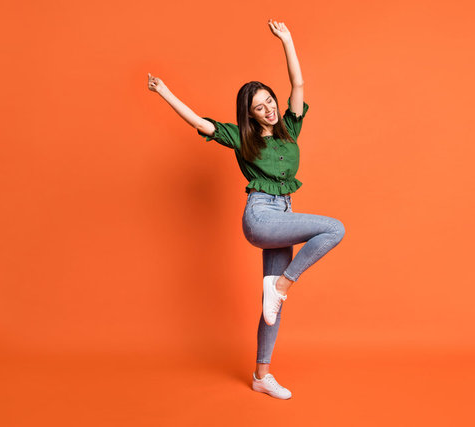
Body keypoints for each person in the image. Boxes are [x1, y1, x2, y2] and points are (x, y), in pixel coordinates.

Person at [147, 19, 345, 400]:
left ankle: (261, 376)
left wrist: (287, 39)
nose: (268, 109)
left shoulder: (290, 129)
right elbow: (199, 122)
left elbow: (298, 85)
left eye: (269, 101)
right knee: (333, 229)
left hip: (284, 215)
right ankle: (282, 284)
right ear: (250, 115)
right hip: (260, 216)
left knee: (272, 308)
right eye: (259, 107)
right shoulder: (241, 138)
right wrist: (164, 91)